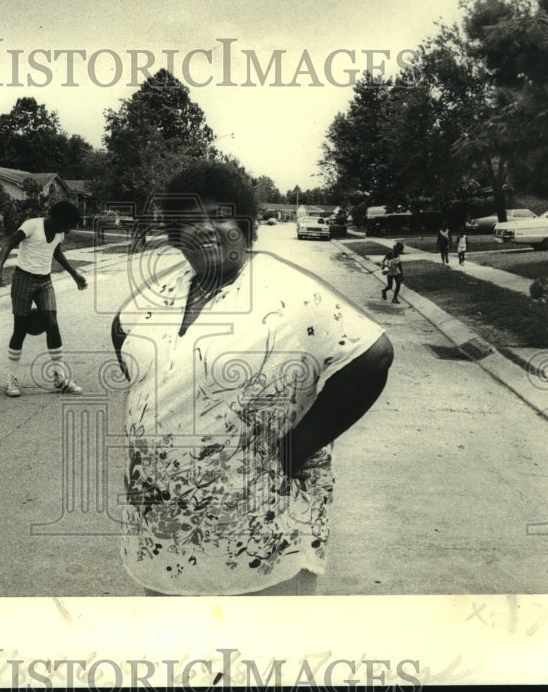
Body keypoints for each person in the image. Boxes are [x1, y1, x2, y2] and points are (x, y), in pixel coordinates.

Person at [110, 161, 394, 596]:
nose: (204, 228)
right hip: (161, 528)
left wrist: (297, 447)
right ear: (172, 235)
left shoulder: (285, 291)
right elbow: (122, 330)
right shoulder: (162, 291)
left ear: (245, 224)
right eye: (188, 221)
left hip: (256, 529)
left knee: (255, 654)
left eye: (219, 215)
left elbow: (372, 357)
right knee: (179, 653)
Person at [0, 201, 87, 397]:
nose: (67, 230)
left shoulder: (59, 233)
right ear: (56, 219)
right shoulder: (32, 225)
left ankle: (59, 377)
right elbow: (8, 244)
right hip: (23, 280)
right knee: (20, 328)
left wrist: (75, 274)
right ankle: (12, 379)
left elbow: (56, 252)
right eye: (66, 225)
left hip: (45, 282)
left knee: (52, 322)